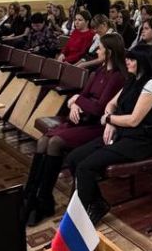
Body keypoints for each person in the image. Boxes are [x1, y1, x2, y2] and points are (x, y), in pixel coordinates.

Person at [24, 33, 128, 226]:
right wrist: (74, 104)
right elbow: (84, 94)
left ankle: (44, 198)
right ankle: (31, 195)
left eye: (100, 48)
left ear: (109, 52)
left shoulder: (117, 77)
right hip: (81, 120)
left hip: (96, 126)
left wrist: (76, 100)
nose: (96, 51)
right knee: (43, 141)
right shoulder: (99, 71)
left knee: (55, 143)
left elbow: (99, 108)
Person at [65, 46, 152, 225]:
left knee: (85, 167)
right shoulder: (131, 80)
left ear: (143, 62)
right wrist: (110, 121)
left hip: (139, 141)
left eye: (132, 59)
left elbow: (134, 120)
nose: (127, 62)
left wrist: (109, 119)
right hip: (122, 134)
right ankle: (97, 203)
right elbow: (111, 104)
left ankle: (79, 219)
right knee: (73, 158)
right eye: (127, 58)